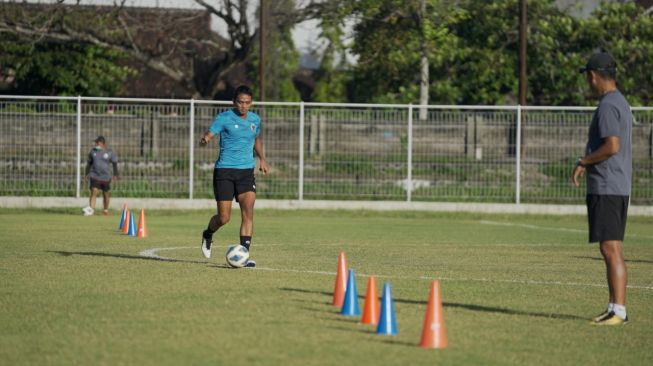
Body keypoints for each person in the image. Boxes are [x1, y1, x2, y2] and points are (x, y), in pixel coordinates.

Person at [572, 52, 632, 326]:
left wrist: (584, 160)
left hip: (608, 186)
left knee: (610, 249)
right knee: (612, 248)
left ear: (593, 75)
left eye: (588, 76)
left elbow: (612, 146)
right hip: (615, 185)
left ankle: (618, 310)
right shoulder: (620, 101)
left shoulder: (608, 105)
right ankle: (613, 308)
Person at [199, 85, 270, 267]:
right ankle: (208, 234)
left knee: (248, 213)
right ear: (234, 102)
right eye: (240, 102)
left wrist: (262, 159)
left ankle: (244, 254)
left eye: (247, 103)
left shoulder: (255, 119)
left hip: (246, 171)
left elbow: (255, 139)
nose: (243, 106)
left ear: (251, 103)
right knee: (224, 218)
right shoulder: (224, 118)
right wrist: (206, 139)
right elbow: (210, 132)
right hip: (225, 171)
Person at [82, 136, 119, 216]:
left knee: (105, 194)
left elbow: (115, 163)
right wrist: (86, 173)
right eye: (96, 143)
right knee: (94, 191)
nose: (96, 144)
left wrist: (115, 174)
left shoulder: (109, 152)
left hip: (106, 177)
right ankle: (91, 210)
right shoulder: (93, 151)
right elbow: (89, 163)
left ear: (103, 144)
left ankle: (105, 210)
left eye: (98, 142)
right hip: (94, 175)